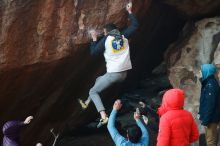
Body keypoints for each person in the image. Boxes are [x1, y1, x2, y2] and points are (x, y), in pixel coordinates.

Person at [78, 1, 139, 128]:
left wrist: (94, 40)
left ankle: (103, 117)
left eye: (104, 32)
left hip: (114, 75)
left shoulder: (106, 40)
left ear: (107, 32)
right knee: (98, 79)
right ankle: (87, 102)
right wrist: (129, 11)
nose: (104, 34)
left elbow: (94, 53)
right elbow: (135, 26)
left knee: (93, 91)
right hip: (124, 74)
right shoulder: (123, 36)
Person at [198, 64, 220, 146]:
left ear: (206, 71)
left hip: (211, 120)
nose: (200, 72)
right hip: (210, 118)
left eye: (201, 70)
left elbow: (209, 104)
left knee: (211, 142)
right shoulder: (208, 83)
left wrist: (205, 120)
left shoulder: (210, 85)